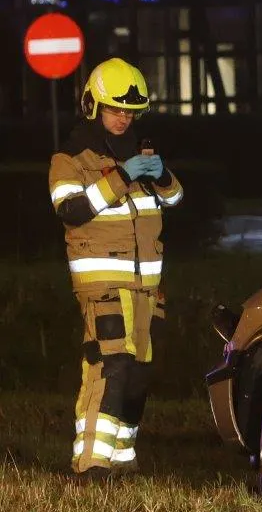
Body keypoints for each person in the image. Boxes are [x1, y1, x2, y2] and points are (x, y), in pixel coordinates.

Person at [48, 58, 183, 480]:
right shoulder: (70, 158)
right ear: (93, 106)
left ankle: (122, 459)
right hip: (102, 281)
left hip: (146, 285)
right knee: (110, 366)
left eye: (130, 112)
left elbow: (176, 200)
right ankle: (91, 463)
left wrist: (161, 176)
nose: (123, 119)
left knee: (139, 371)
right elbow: (71, 210)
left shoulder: (140, 153)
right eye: (114, 109)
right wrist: (121, 176)